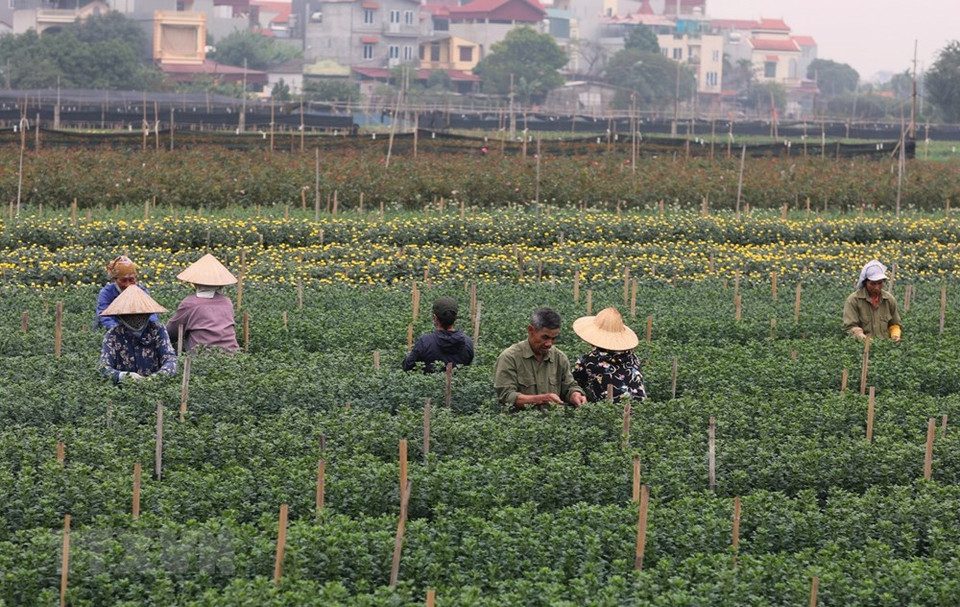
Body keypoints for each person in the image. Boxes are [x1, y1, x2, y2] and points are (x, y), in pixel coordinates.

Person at [493, 307, 587, 411]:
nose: (549, 344)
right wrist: (543, 399)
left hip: (553, 423)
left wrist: (575, 395)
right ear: (531, 330)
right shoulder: (509, 358)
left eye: (554, 338)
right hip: (519, 425)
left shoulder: (559, 358)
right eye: (545, 337)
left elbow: (569, 386)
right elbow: (507, 396)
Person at [98, 284, 177, 384]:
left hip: (156, 389)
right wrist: (123, 376)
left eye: (140, 315)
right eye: (130, 316)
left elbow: (170, 360)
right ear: (120, 317)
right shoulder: (113, 335)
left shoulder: (157, 330)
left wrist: (154, 378)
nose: (136, 319)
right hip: (123, 391)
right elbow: (103, 368)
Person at [166, 254, 240, 354]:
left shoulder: (190, 303)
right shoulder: (227, 302)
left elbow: (172, 331)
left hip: (202, 358)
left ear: (195, 283)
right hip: (231, 354)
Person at [571, 307, 646, 403]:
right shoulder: (633, 358)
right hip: (642, 413)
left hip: (611, 414)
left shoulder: (588, 360)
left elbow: (574, 384)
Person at [402, 296, 474, 373]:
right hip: (458, 385)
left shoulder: (425, 342)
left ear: (435, 317)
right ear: (456, 318)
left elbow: (407, 367)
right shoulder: (467, 342)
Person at [843, 260, 902, 342]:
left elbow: (894, 324)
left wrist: (895, 335)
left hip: (885, 346)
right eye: (873, 284)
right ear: (865, 283)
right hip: (861, 347)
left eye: (880, 283)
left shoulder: (889, 300)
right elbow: (850, 327)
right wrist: (863, 338)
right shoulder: (853, 300)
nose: (877, 287)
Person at [95, 256, 159, 330]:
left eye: (131, 280)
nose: (127, 284)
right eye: (123, 280)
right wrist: (121, 331)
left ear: (136, 278)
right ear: (115, 279)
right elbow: (104, 317)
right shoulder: (107, 293)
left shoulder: (142, 291)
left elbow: (152, 314)